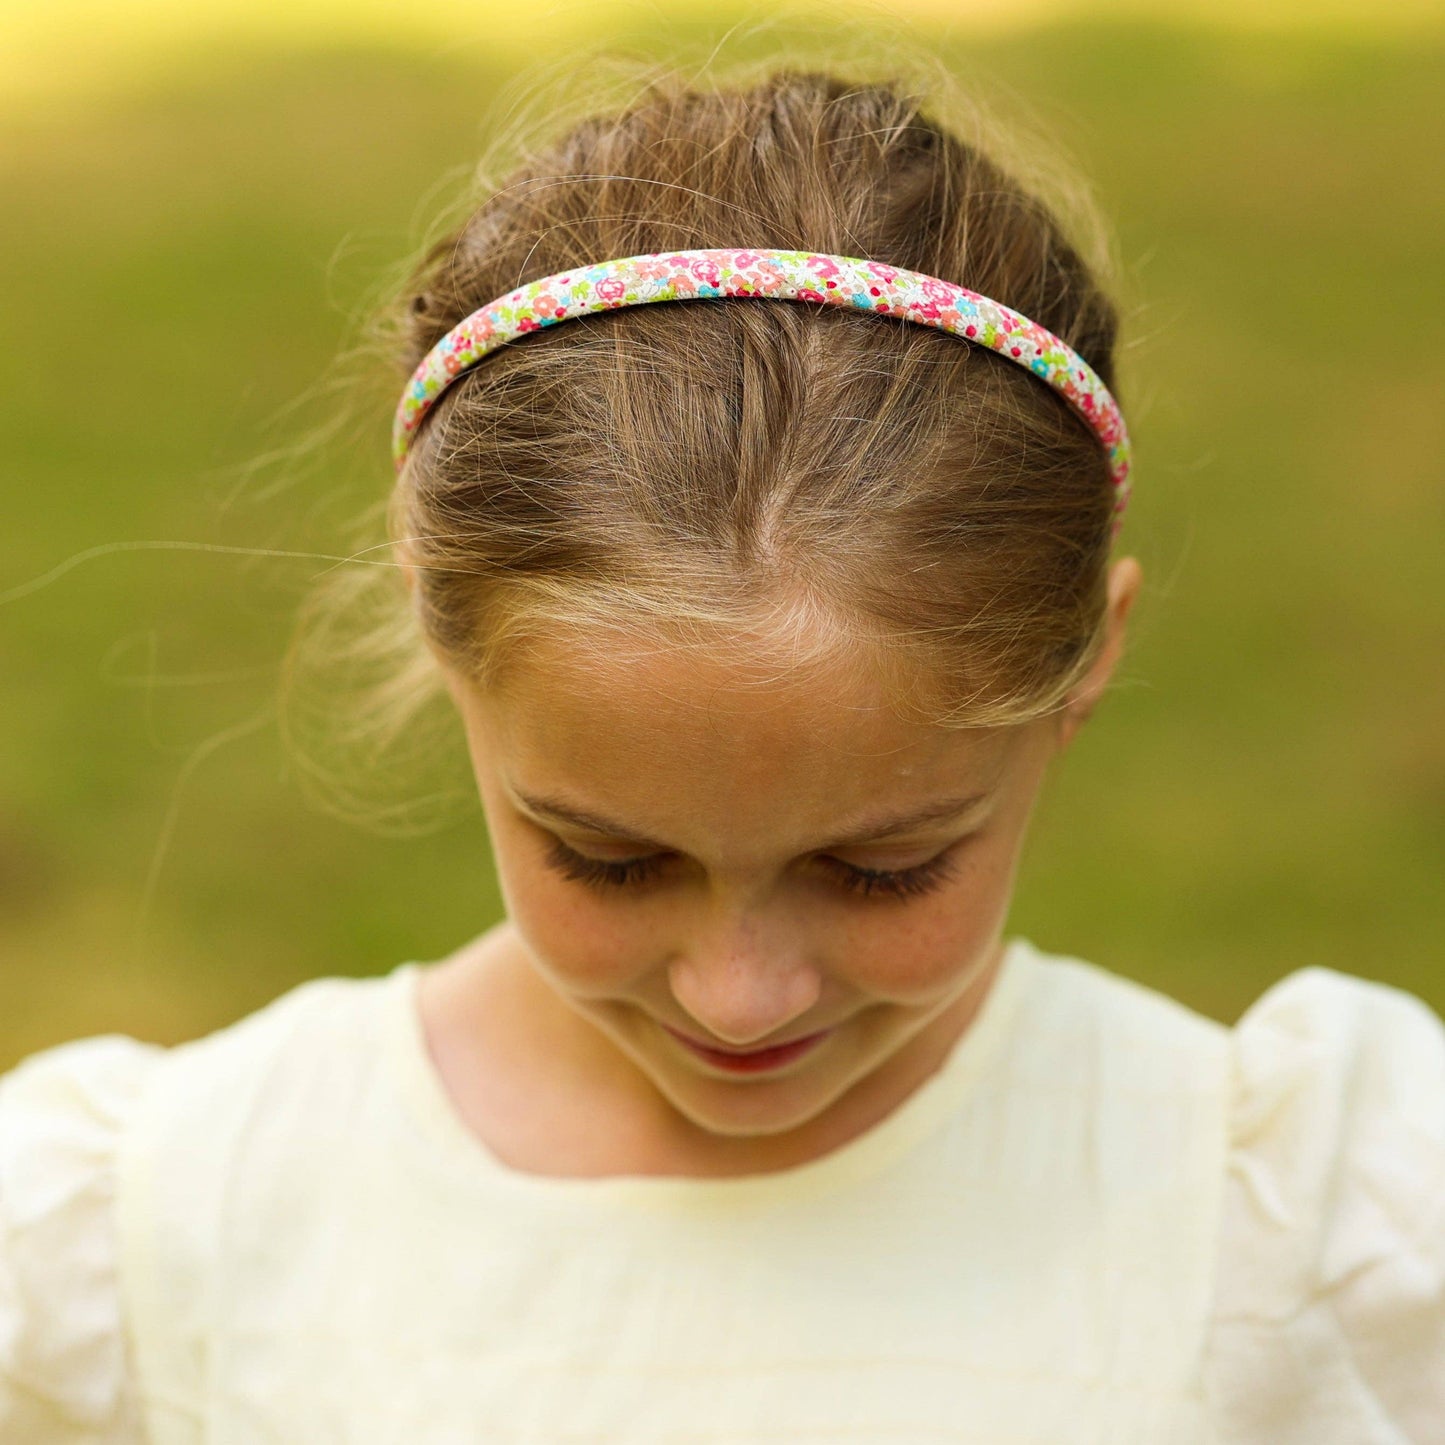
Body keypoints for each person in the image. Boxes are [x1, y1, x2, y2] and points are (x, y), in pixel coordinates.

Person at [2, 60, 1441, 1445]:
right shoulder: (159, 1232)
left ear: (1085, 669)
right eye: (609, 860)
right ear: (441, 634)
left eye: (881, 869)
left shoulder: (1285, 1232)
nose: (738, 995)